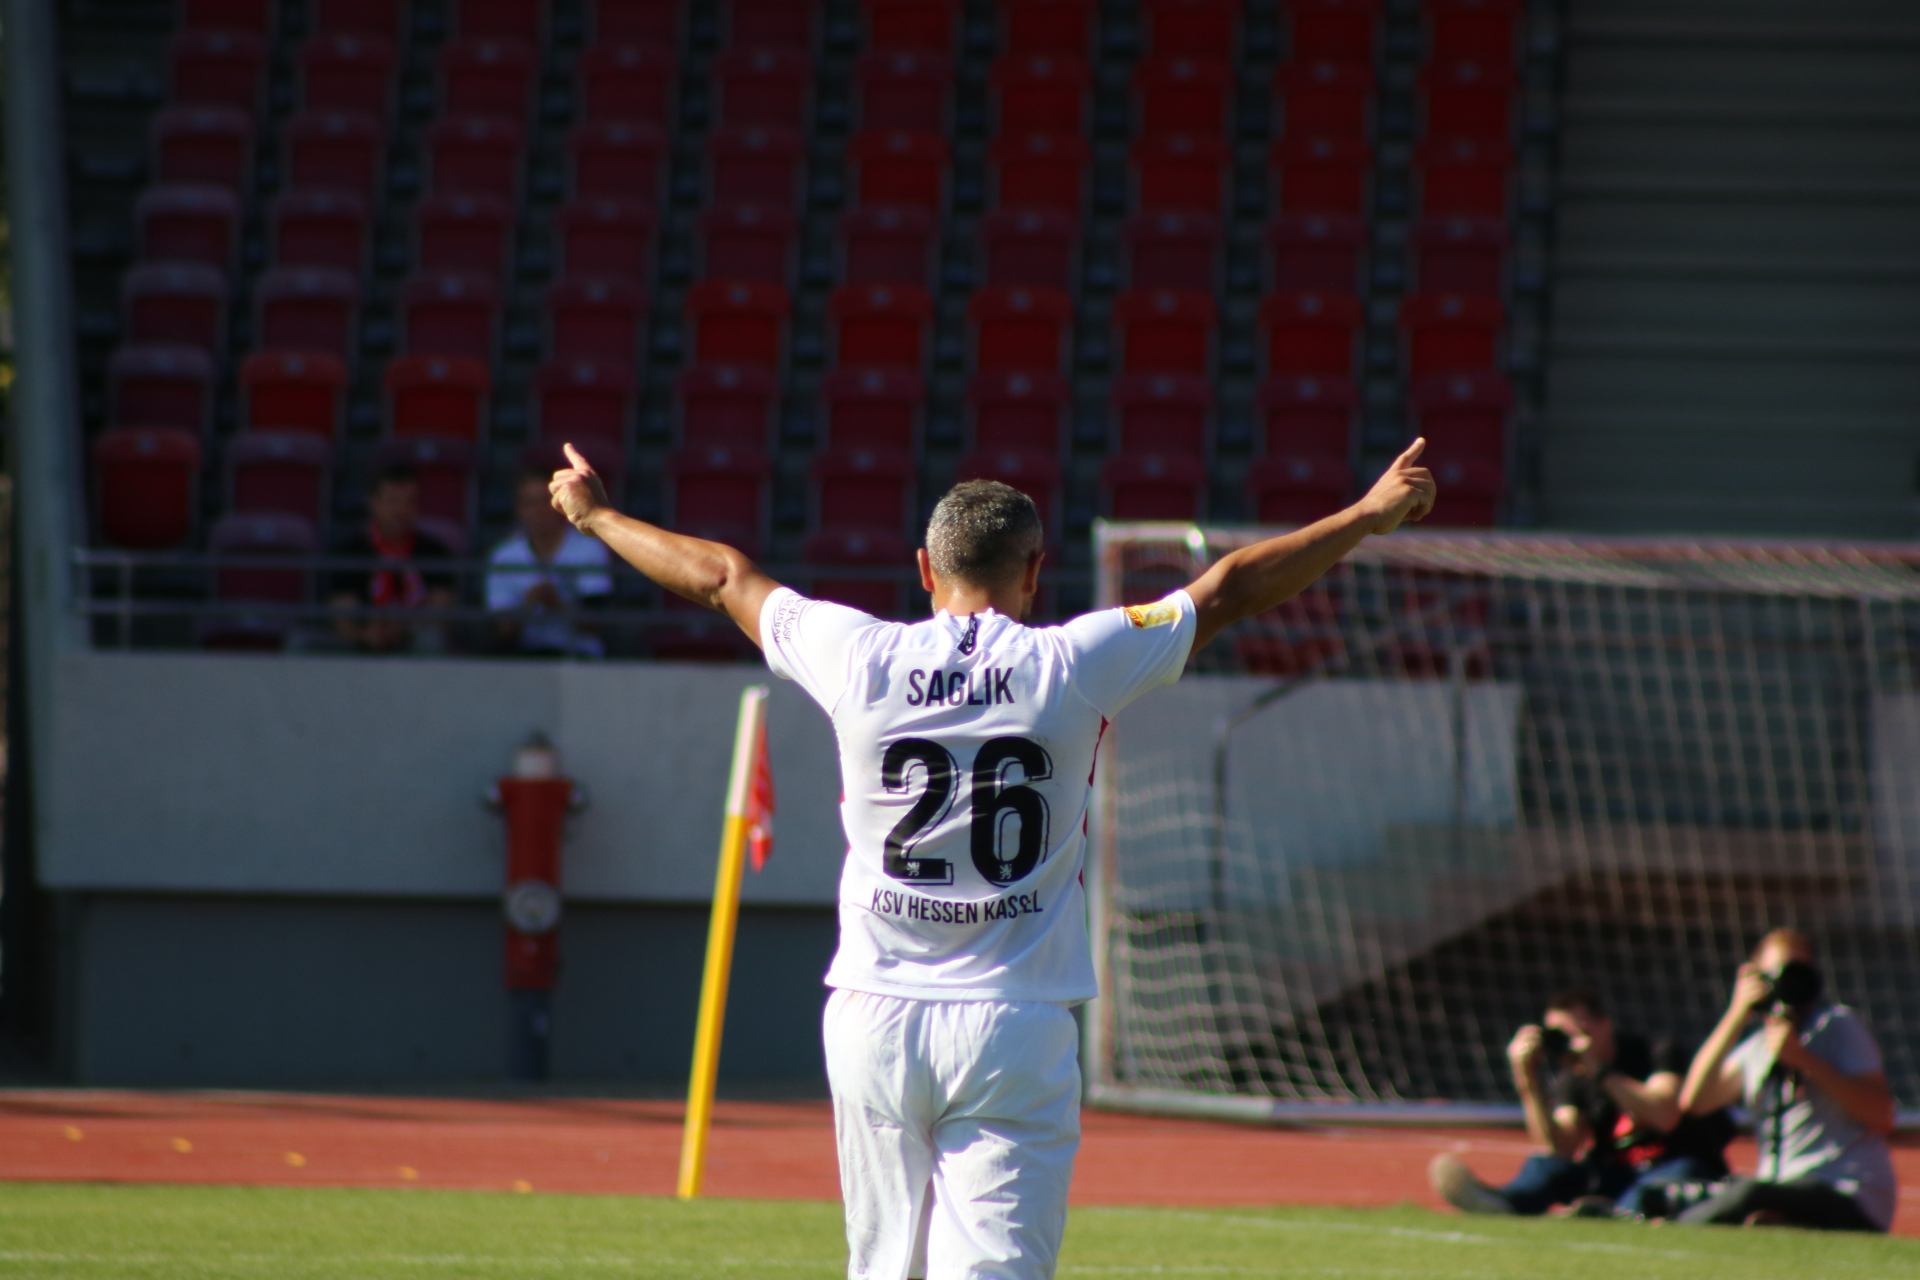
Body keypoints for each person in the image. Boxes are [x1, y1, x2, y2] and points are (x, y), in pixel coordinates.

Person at [549, 437, 1435, 1280]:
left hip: (874, 1015)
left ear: (924, 568)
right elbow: (1230, 588)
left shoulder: (858, 654)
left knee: (884, 1267)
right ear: (1035, 571)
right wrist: (1366, 514)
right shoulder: (1074, 661)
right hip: (1015, 1020)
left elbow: (722, 577)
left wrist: (596, 517)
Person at [1430, 986, 1733, 1219]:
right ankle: (1503, 1202)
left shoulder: (1656, 1051)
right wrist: (1527, 1081)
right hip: (1617, 1175)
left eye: (1579, 1031)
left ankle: (1614, 1216)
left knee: (1672, 1176)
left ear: (1605, 1025)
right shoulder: (1574, 1077)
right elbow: (1560, 1146)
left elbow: (1664, 1115)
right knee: (1545, 1166)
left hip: (1678, 1167)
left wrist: (1601, 1072)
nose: (1571, 1042)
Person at [1673, 928, 1896, 1232]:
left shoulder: (1838, 1026)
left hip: (1847, 1192)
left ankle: (1674, 1232)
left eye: (1800, 972)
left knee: (1750, 1193)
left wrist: (1804, 1060)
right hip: (1782, 1190)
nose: (1790, 983)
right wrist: (1736, 1013)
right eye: (1779, 974)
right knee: (1714, 1191)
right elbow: (1694, 1100)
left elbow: (1882, 1114)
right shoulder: (1757, 1048)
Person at [329, 463, 457, 653]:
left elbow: (442, 618)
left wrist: (402, 629)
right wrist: (365, 635)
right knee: (302, 644)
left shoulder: (435, 552)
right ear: (373, 503)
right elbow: (342, 620)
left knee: (432, 641)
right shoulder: (350, 552)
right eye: (392, 501)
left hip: (413, 640)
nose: (401, 510)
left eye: (409, 502)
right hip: (361, 641)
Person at [487, 468, 613, 656]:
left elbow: (597, 624)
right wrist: (528, 605)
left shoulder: (589, 549)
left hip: (579, 655)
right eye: (531, 503)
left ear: (560, 504)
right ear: (519, 509)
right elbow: (502, 632)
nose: (539, 510)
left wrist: (557, 604)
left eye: (545, 501)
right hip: (523, 657)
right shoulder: (503, 556)